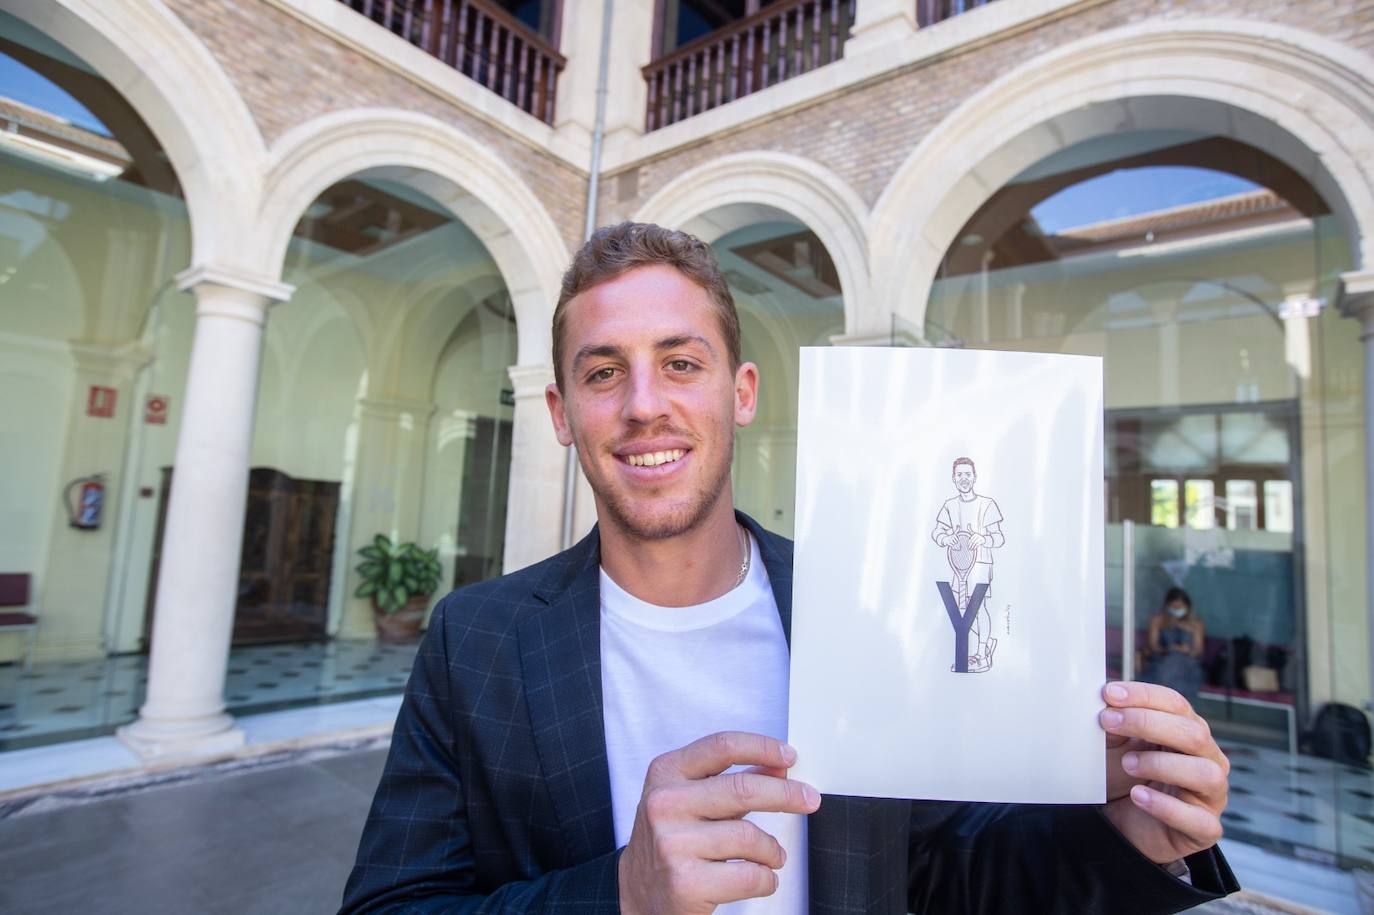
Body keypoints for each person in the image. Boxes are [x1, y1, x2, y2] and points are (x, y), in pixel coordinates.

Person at [341, 222, 1237, 913]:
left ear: (742, 393)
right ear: (561, 409)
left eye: (681, 363)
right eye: (605, 372)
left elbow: (946, 875)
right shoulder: (476, 640)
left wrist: (1132, 835)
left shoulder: (863, 611)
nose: (644, 406)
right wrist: (618, 892)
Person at [932, 457, 1004, 671]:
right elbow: (937, 532)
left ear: (975, 477)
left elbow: (999, 538)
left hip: (981, 565)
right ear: (954, 479)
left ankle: (982, 654)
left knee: (978, 610)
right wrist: (945, 538)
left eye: (968, 474)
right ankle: (984, 646)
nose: (964, 479)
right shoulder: (949, 506)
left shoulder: (987, 504)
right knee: (961, 610)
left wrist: (983, 539)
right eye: (960, 475)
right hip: (958, 566)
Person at [1142, 587, 1207, 703]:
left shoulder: (1196, 623)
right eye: (1174, 607)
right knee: (1170, 662)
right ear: (1167, 606)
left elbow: (1198, 651)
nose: (1177, 610)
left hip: (1187, 663)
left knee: (1176, 663)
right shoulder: (1158, 620)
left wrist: (1186, 649)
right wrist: (1168, 649)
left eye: (1180, 607)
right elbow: (1153, 646)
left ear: (1187, 607)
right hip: (1162, 660)